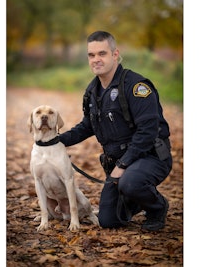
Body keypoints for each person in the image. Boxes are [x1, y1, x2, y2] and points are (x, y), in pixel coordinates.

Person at [59, 31, 172, 231]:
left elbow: (148, 131)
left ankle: (157, 207)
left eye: (102, 53)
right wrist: (58, 140)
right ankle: (136, 196)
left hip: (150, 157)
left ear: (115, 54)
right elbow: (88, 125)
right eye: (91, 55)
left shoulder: (136, 86)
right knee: (109, 220)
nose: (96, 60)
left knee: (131, 182)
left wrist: (123, 164)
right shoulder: (92, 91)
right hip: (120, 165)